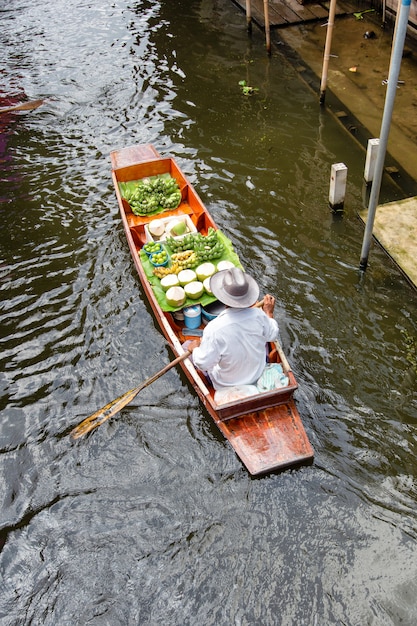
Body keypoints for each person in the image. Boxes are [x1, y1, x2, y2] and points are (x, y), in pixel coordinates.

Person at [185, 267, 279, 390]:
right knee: (265, 339)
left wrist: (195, 349)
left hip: (226, 384)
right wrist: (269, 313)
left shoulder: (214, 329)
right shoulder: (259, 315)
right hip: (257, 375)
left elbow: (203, 363)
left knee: (186, 346)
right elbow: (272, 334)